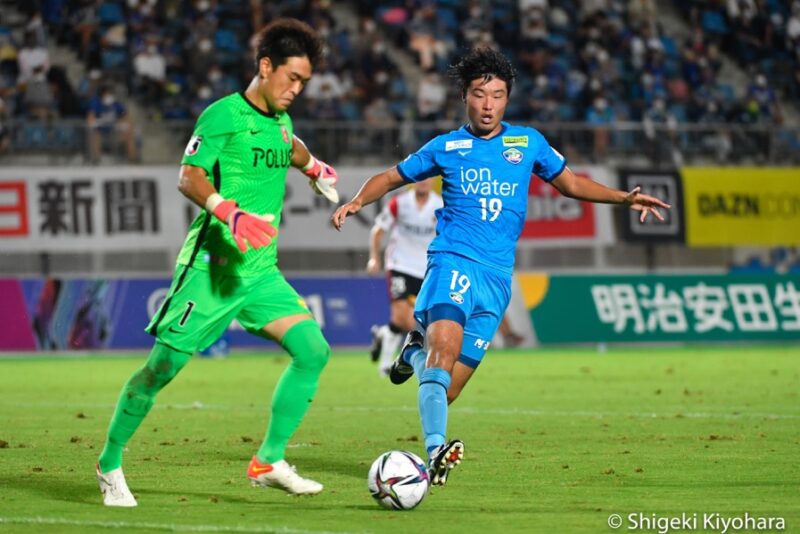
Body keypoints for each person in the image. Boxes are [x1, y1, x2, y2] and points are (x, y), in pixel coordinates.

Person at [332, 48, 670, 487]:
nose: (488, 104)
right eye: (479, 94)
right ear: (465, 98)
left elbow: (571, 184)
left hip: (496, 280)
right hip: (452, 262)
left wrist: (624, 198)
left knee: (445, 387)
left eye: (497, 95)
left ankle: (411, 353)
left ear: (507, 99)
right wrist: (357, 200)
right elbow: (392, 177)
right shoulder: (446, 147)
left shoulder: (527, 142)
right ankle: (435, 452)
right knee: (444, 357)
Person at [96, 18, 340, 507]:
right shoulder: (222, 116)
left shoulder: (281, 120)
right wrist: (228, 211)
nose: (297, 89)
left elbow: (288, 146)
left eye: (304, 83)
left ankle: (269, 460)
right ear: (265, 67)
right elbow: (189, 177)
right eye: (291, 78)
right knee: (160, 369)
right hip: (211, 269)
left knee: (313, 351)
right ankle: (109, 463)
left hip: (261, 273)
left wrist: (313, 167)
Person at [367, 180, 443, 376]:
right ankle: (385, 365)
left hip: (427, 269)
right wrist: (374, 258)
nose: (424, 182)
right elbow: (378, 231)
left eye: (428, 178)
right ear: (414, 182)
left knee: (414, 321)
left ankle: (383, 334)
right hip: (400, 264)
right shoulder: (399, 203)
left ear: (433, 181)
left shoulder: (440, 205)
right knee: (402, 315)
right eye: (420, 178)